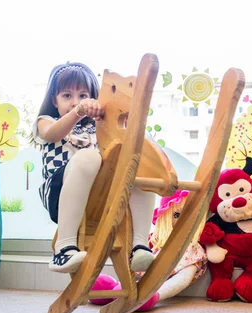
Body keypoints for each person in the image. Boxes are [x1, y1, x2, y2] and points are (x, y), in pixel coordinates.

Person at [27, 62, 156, 273]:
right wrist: (77, 112)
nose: (75, 102)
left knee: (136, 163)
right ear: (54, 100)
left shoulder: (99, 125)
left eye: (83, 96)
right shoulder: (47, 120)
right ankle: (64, 248)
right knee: (89, 157)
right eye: (67, 96)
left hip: (102, 195)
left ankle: (140, 245)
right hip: (60, 193)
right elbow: (51, 134)